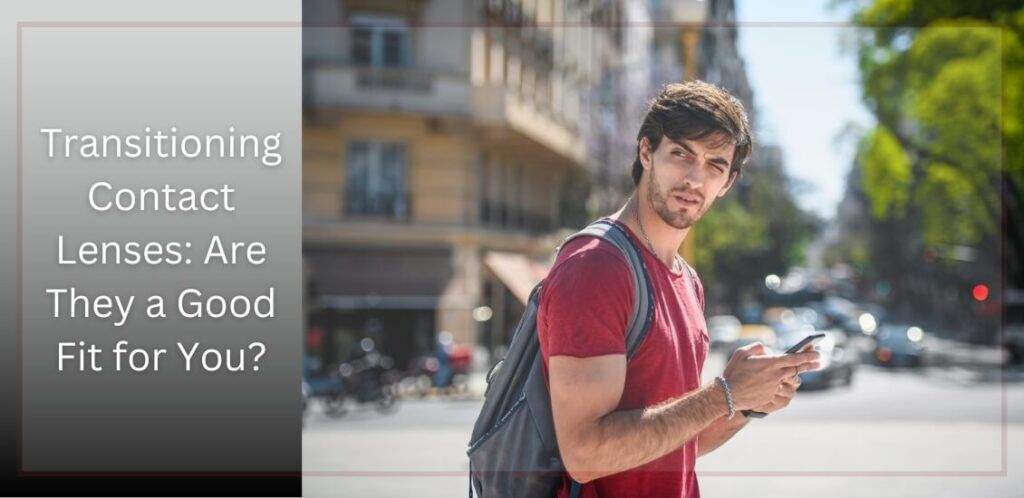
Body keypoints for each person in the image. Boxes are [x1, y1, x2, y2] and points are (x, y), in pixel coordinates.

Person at [537, 81, 821, 498]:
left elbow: (676, 444)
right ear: (646, 152)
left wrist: (744, 404)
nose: (694, 178)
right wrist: (723, 392)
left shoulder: (687, 281)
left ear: (727, 182)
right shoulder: (596, 266)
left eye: (715, 165)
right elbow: (585, 454)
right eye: (681, 154)